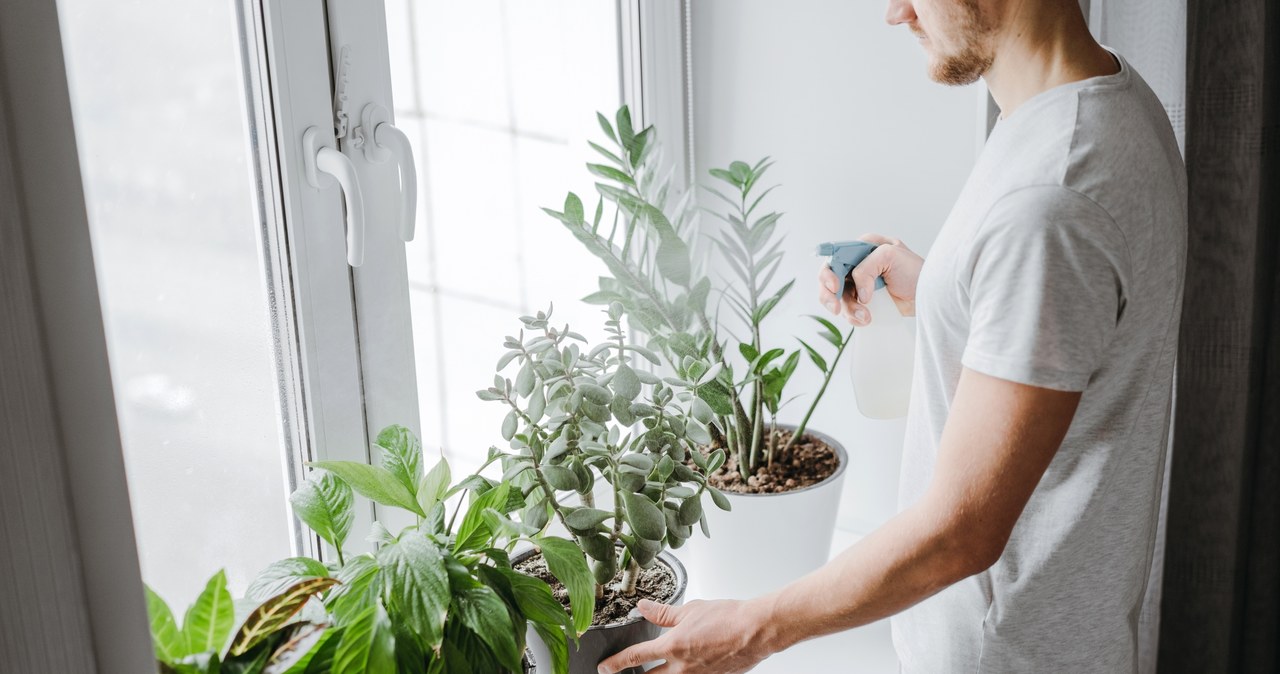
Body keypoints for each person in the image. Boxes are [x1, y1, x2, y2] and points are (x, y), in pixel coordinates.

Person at [597, 0, 1186, 671]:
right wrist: (940, 290)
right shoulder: (1107, 106)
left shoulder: (1051, 200)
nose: (895, 11)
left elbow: (960, 531)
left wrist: (753, 627)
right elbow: (1070, 327)